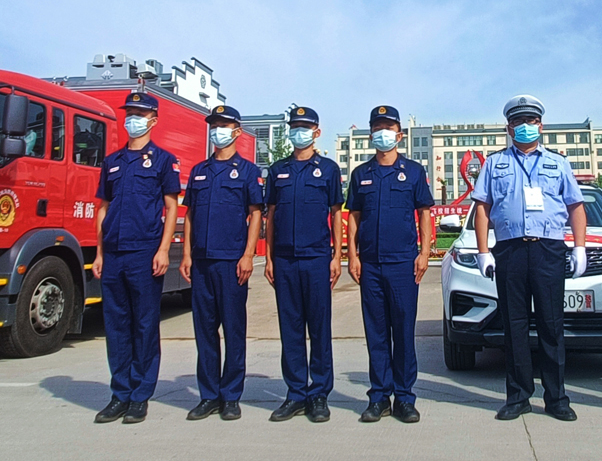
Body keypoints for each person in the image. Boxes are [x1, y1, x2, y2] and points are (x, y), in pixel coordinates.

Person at [472, 94, 588, 421]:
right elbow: (482, 208)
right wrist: (483, 251)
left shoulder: (558, 163)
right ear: (509, 127)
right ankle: (519, 395)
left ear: (541, 125)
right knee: (515, 325)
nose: (525, 127)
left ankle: (557, 398)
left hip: (548, 249)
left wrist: (578, 247)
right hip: (510, 249)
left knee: (552, 326)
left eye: (531, 121)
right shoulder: (495, 164)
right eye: (519, 122)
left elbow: (575, 206)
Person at [92, 91, 182, 424]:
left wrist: (162, 249)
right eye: (130, 113)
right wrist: (100, 252)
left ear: (153, 120)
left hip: (145, 252)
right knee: (116, 326)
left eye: (140, 114)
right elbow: (102, 209)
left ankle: (140, 395)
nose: (133, 119)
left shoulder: (162, 160)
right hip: (114, 253)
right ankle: (119, 394)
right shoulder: (112, 162)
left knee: (144, 325)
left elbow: (171, 206)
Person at [347, 105, 435, 424]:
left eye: (388, 127)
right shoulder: (361, 174)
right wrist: (352, 256)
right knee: (377, 333)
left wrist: (424, 253)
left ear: (399, 134)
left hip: (403, 265)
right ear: (371, 133)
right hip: (370, 266)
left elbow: (424, 212)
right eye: (377, 127)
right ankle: (379, 397)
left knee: (403, 332)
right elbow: (354, 218)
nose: (383, 133)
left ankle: (405, 398)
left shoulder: (413, 171)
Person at [180, 105, 264, 422]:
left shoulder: (246, 171)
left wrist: (248, 254)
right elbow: (189, 215)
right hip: (201, 261)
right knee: (204, 332)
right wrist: (187, 254)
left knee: (233, 329)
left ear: (237, 131)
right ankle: (209, 395)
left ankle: (231, 396)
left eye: (224, 124)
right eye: (214, 124)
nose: (218, 130)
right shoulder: (199, 170)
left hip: (231, 262)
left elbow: (256, 212)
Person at [264, 106, 344, 423]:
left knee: (319, 328)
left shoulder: (327, 169)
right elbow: (269, 215)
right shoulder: (277, 170)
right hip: (284, 260)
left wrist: (337, 255)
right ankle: (296, 393)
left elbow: (337, 213)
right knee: (291, 329)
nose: (299, 131)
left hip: (316, 259)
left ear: (316, 132)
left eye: (305, 126)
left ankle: (319, 394)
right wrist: (268, 258)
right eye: (294, 126)